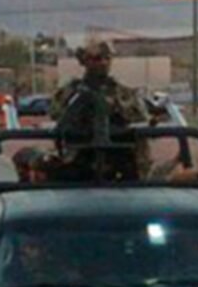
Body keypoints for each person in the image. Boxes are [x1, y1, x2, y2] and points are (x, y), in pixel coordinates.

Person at [47, 40, 151, 181]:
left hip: (118, 153)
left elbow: (140, 118)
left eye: (107, 58)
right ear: (84, 61)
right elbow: (56, 115)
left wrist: (115, 108)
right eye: (96, 59)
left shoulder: (122, 92)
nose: (103, 63)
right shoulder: (70, 91)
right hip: (78, 154)